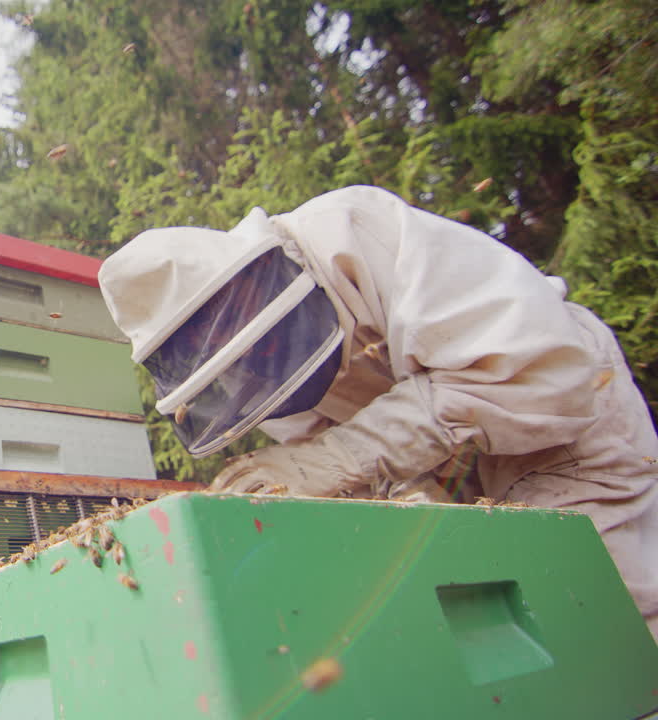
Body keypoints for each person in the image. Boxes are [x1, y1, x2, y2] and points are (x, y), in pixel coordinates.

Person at [98, 185, 658, 641]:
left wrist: (337, 458)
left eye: (247, 343)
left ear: (246, 286)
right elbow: (354, 473)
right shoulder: (254, 383)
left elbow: (534, 369)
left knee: (603, 610)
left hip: (560, 422)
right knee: (489, 625)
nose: (255, 363)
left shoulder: (355, 230)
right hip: (449, 463)